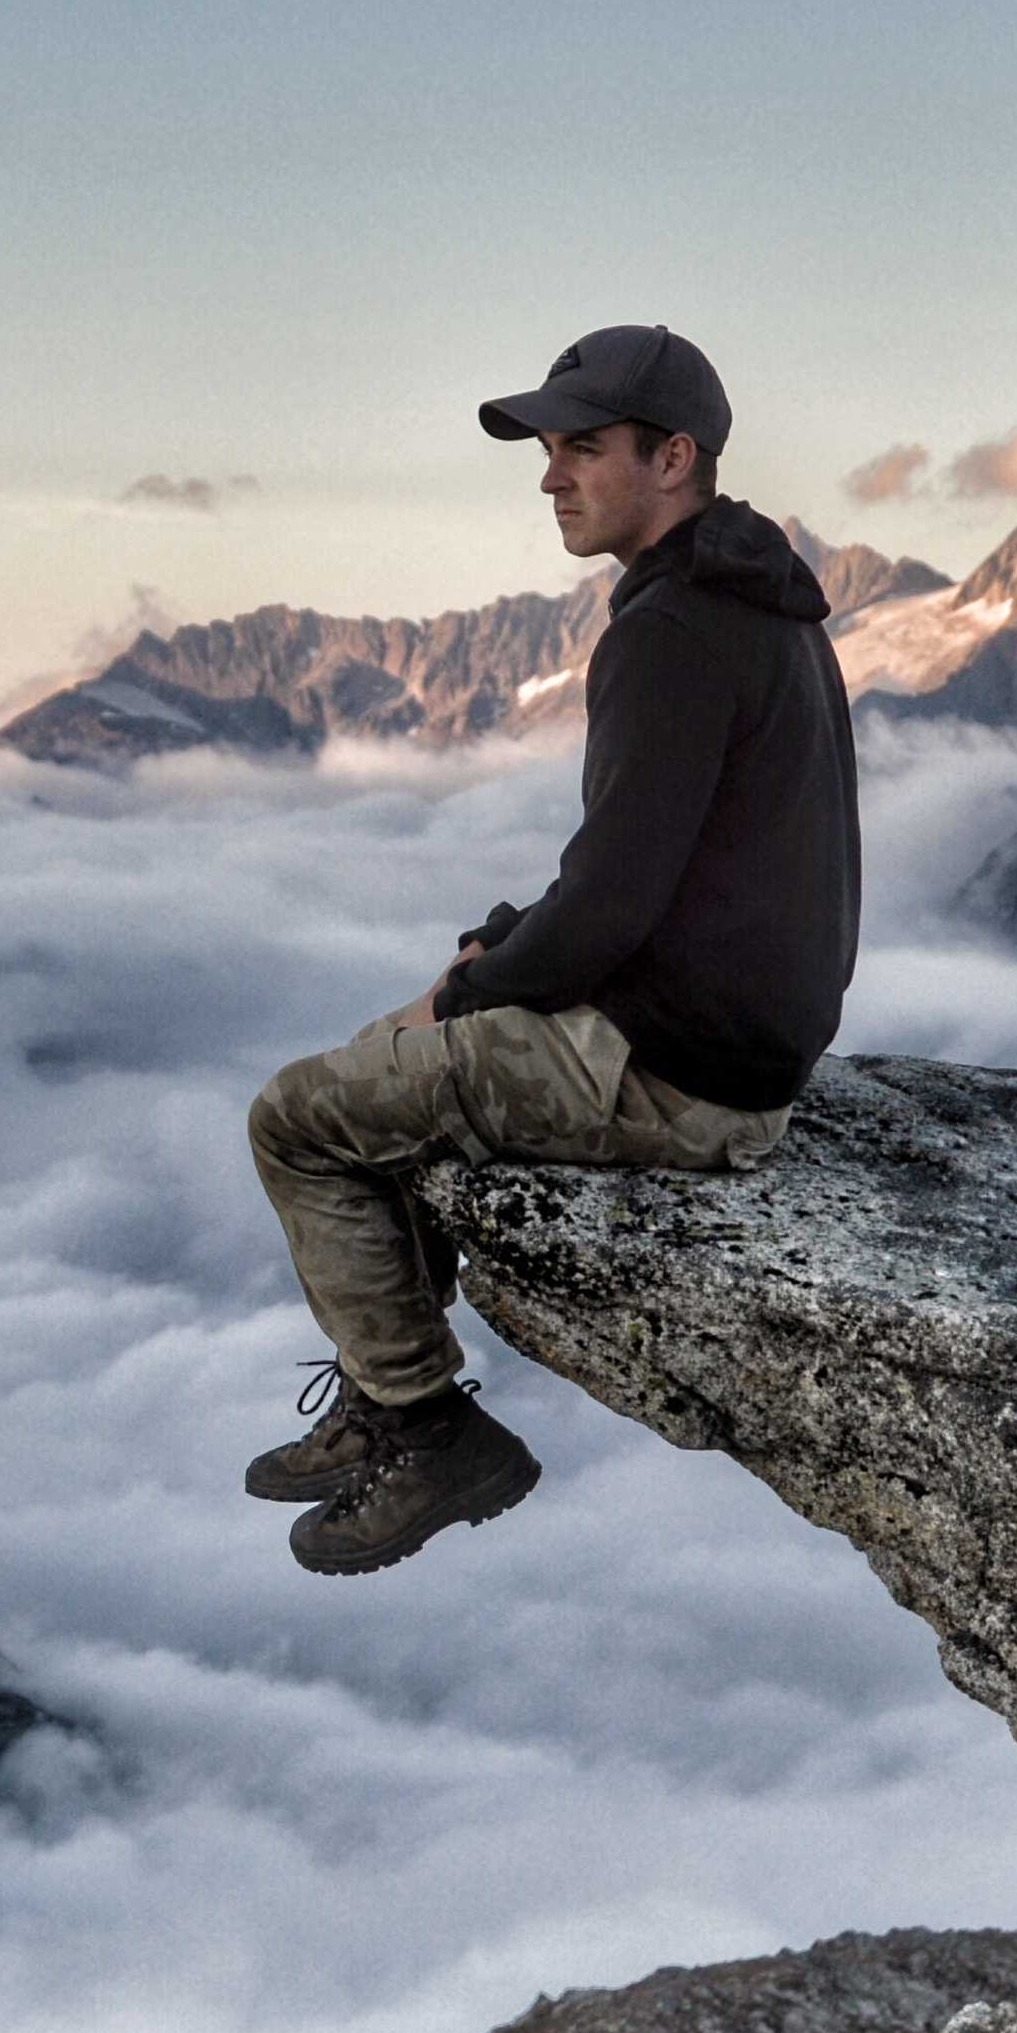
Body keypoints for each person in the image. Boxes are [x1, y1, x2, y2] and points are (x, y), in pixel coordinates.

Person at [241, 323, 860, 1574]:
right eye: (547, 449)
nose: (547, 477)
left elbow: (616, 904)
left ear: (672, 457)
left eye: (580, 448)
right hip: (730, 1034)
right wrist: (500, 948)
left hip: (673, 1074)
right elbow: (646, 865)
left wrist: (466, 991)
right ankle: (384, 1390)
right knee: (387, 1063)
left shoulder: (674, 632)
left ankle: (425, 1428)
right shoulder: (756, 606)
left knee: (299, 1116)